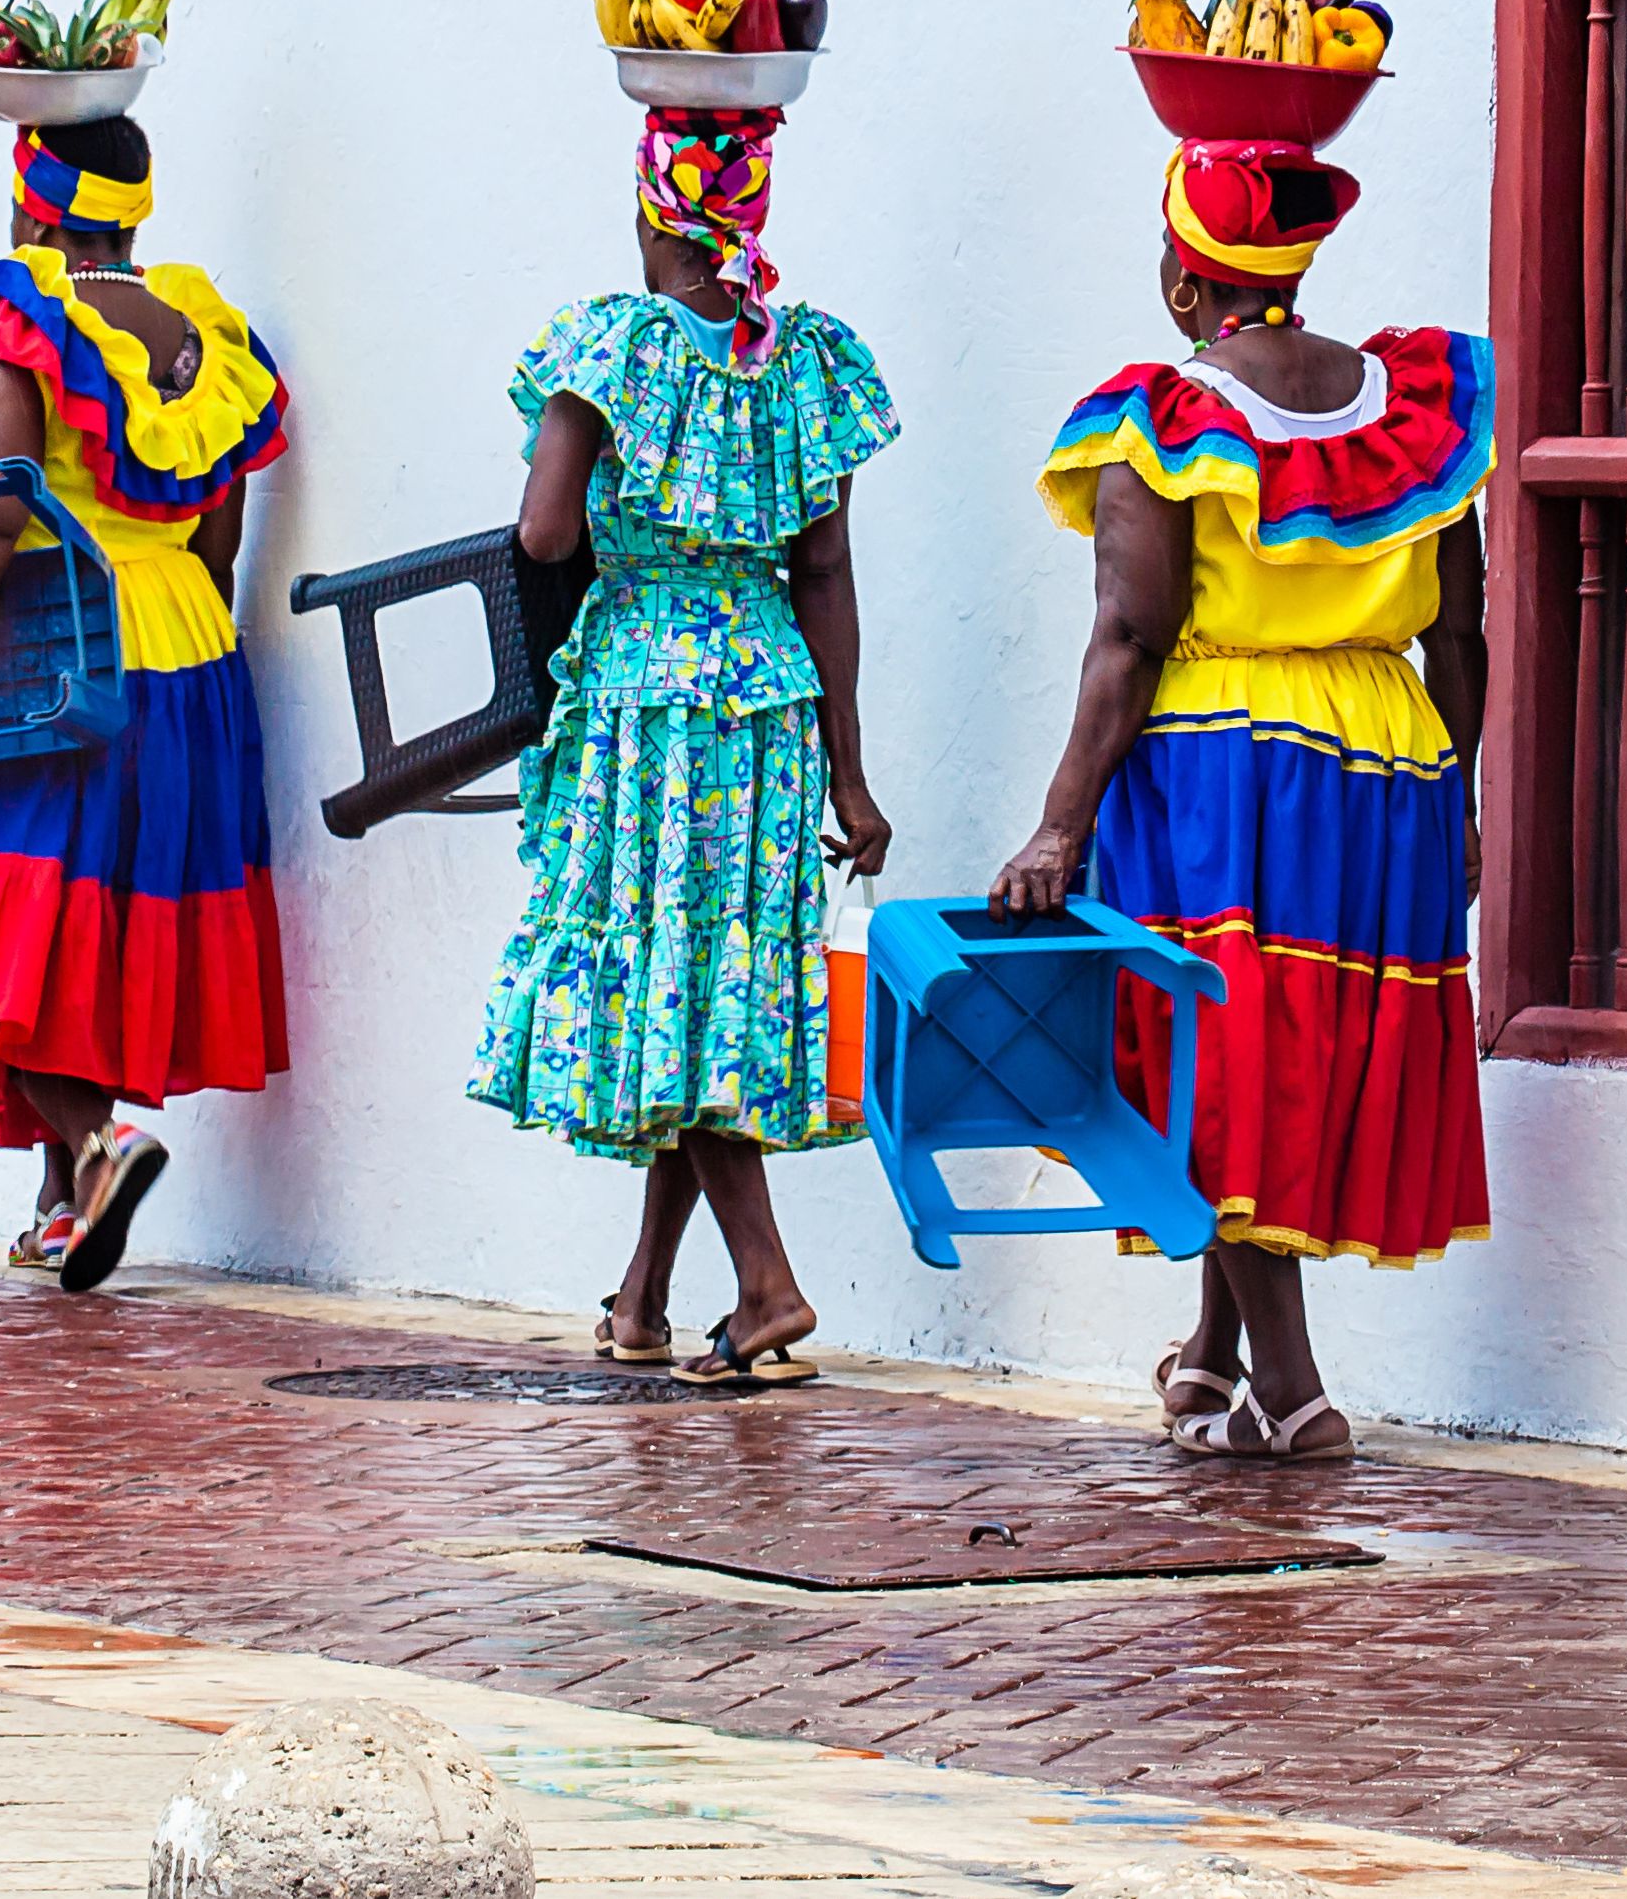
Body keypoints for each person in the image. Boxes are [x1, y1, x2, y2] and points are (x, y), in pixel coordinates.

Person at [995, 135, 1491, 1462]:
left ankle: (1292, 1380)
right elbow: (1463, 628)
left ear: (1181, 277)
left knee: (1216, 1066)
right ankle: (1214, 1354)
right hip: (1390, 755)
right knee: (1293, 1053)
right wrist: (1463, 795)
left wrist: (1059, 820)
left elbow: (1129, 632)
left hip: (1224, 757)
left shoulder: (1158, 416)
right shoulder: (1416, 406)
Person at [472, 106, 899, 1386]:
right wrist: (851, 771)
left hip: (649, 706)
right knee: (708, 984)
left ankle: (766, 1286)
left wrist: (613, 499)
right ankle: (647, 1295)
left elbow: (545, 536)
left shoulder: (614, 348)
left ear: (655, 204)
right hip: (767, 701)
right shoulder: (801, 358)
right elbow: (823, 571)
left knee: (675, 985)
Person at [0, 117, 291, 1293]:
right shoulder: (201, 328)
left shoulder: (18, 325)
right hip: (187, 648)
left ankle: (101, 1149)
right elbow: (218, 520)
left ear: (28, 201)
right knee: (89, 917)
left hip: (56, 649)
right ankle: (59, 1199)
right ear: (131, 210)